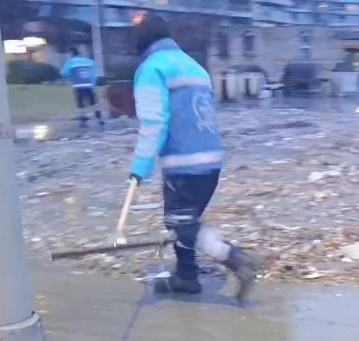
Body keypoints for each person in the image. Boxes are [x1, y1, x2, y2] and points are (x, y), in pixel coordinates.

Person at [129, 14, 263, 297]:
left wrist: (140, 167)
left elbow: (154, 122)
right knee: (186, 221)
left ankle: (237, 259)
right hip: (211, 160)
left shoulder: (152, 68)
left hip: (182, 163)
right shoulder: (195, 67)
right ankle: (187, 278)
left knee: (181, 224)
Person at [60, 48, 104, 128]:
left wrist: (71, 77)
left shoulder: (70, 62)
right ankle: (99, 118)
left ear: (72, 54)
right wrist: (93, 83)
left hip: (78, 85)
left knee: (80, 103)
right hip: (89, 84)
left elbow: (64, 73)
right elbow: (94, 73)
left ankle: (83, 121)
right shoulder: (89, 61)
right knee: (93, 102)